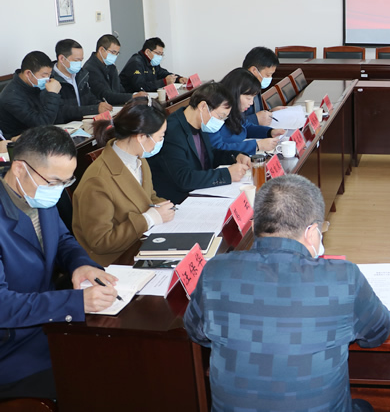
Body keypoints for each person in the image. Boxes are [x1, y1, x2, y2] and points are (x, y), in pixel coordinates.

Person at [184, 174, 390, 412]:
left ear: (255, 225)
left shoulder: (216, 272)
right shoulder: (343, 278)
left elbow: (196, 332)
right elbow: (378, 331)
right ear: (312, 231)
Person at [0, 126, 119, 400]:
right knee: (96, 380)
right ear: (19, 168)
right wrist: (75, 303)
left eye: (66, 182)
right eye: (54, 181)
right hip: (11, 346)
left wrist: (81, 264)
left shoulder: (36, 189)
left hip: (46, 322)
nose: (58, 190)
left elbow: (63, 240)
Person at [72, 97, 174, 266]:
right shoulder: (97, 181)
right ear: (141, 137)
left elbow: (148, 197)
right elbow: (100, 242)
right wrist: (148, 219)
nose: (161, 142)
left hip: (140, 243)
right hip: (115, 260)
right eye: (160, 136)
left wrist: (166, 208)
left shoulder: (138, 159)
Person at [148, 83, 251, 204]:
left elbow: (209, 155)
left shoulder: (199, 123)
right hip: (178, 201)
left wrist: (236, 156)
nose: (221, 122)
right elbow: (183, 179)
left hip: (199, 191)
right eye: (220, 116)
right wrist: (227, 175)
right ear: (203, 106)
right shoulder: (172, 131)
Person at [209, 68, 284, 156]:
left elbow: (245, 127)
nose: (251, 103)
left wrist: (270, 132)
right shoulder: (214, 113)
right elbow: (218, 148)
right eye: (248, 98)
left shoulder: (235, 109)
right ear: (235, 94)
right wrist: (257, 146)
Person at [0, 51, 62, 138]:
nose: (47, 79)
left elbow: (58, 111)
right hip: (20, 141)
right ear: (28, 74)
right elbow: (42, 124)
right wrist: (53, 94)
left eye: (49, 75)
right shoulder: (11, 97)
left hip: (40, 135)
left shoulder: (35, 85)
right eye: (44, 76)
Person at [51, 39, 113, 123]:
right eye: (76, 60)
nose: (79, 64)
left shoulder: (81, 74)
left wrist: (99, 104)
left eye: (81, 60)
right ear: (61, 58)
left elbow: (88, 98)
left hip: (83, 123)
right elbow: (62, 111)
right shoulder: (51, 80)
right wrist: (94, 109)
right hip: (65, 125)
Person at [83, 34, 148, 105]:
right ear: (101, 50)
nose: (115, 56)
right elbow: (105, 96)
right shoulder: (90, 69)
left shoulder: (111, 66)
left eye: (117, 53)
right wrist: (132, 96)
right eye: (113, 52)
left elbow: (120, 89)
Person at [119, 37, 186, 92]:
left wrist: (178, 79)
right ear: (148, 51)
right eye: (158, 53)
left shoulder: (152, 61)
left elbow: (162, 73)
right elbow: (140, 87)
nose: (160, 57)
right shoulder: (136, 63)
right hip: (130, 99)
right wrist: (164, 82)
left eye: (161, 54)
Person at [242, 46, 281, 126]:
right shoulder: (238, 88)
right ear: (254, 70)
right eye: (267, 75)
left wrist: (269, 113)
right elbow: (230, 123)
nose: (270, 78)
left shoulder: (255, 85)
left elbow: (256, 113)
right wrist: (255, 119)